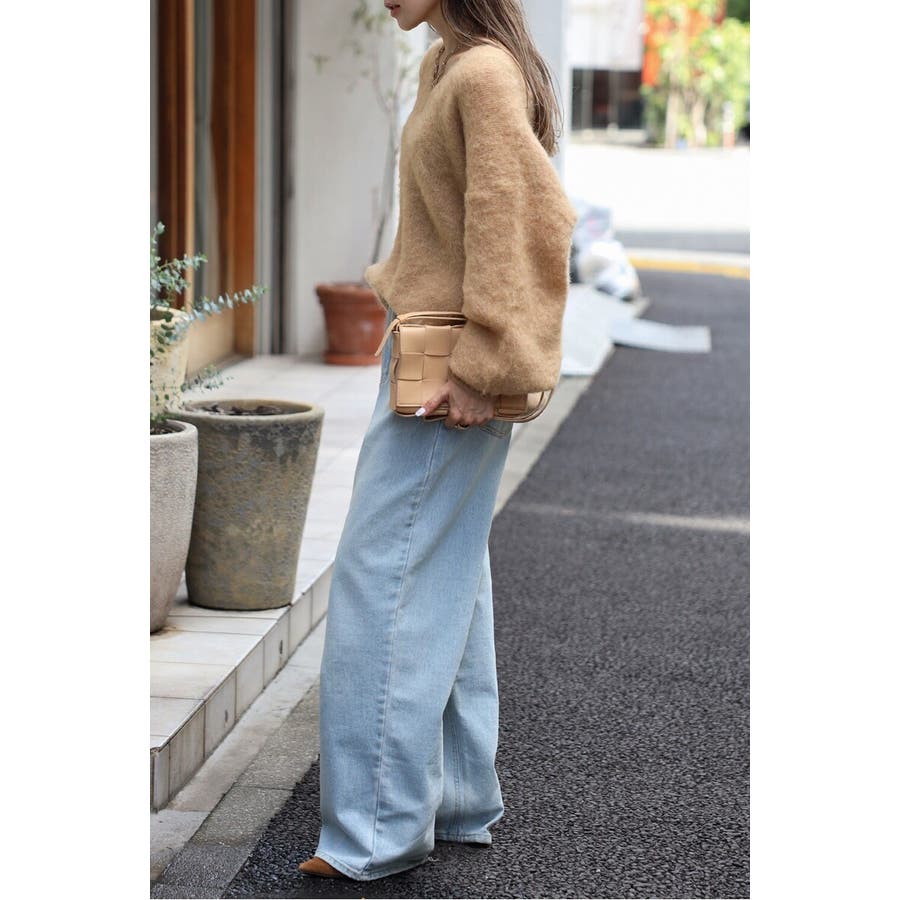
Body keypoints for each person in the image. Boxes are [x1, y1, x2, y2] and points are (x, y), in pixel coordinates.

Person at [298, 0, 578, 882]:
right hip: (432, 349)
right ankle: (457, 797)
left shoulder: (483, 73)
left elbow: (520, 222)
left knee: (380, 575)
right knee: (448, 568)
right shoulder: (449, 63)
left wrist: (485, 364)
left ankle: (375, 830)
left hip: (454, 369)